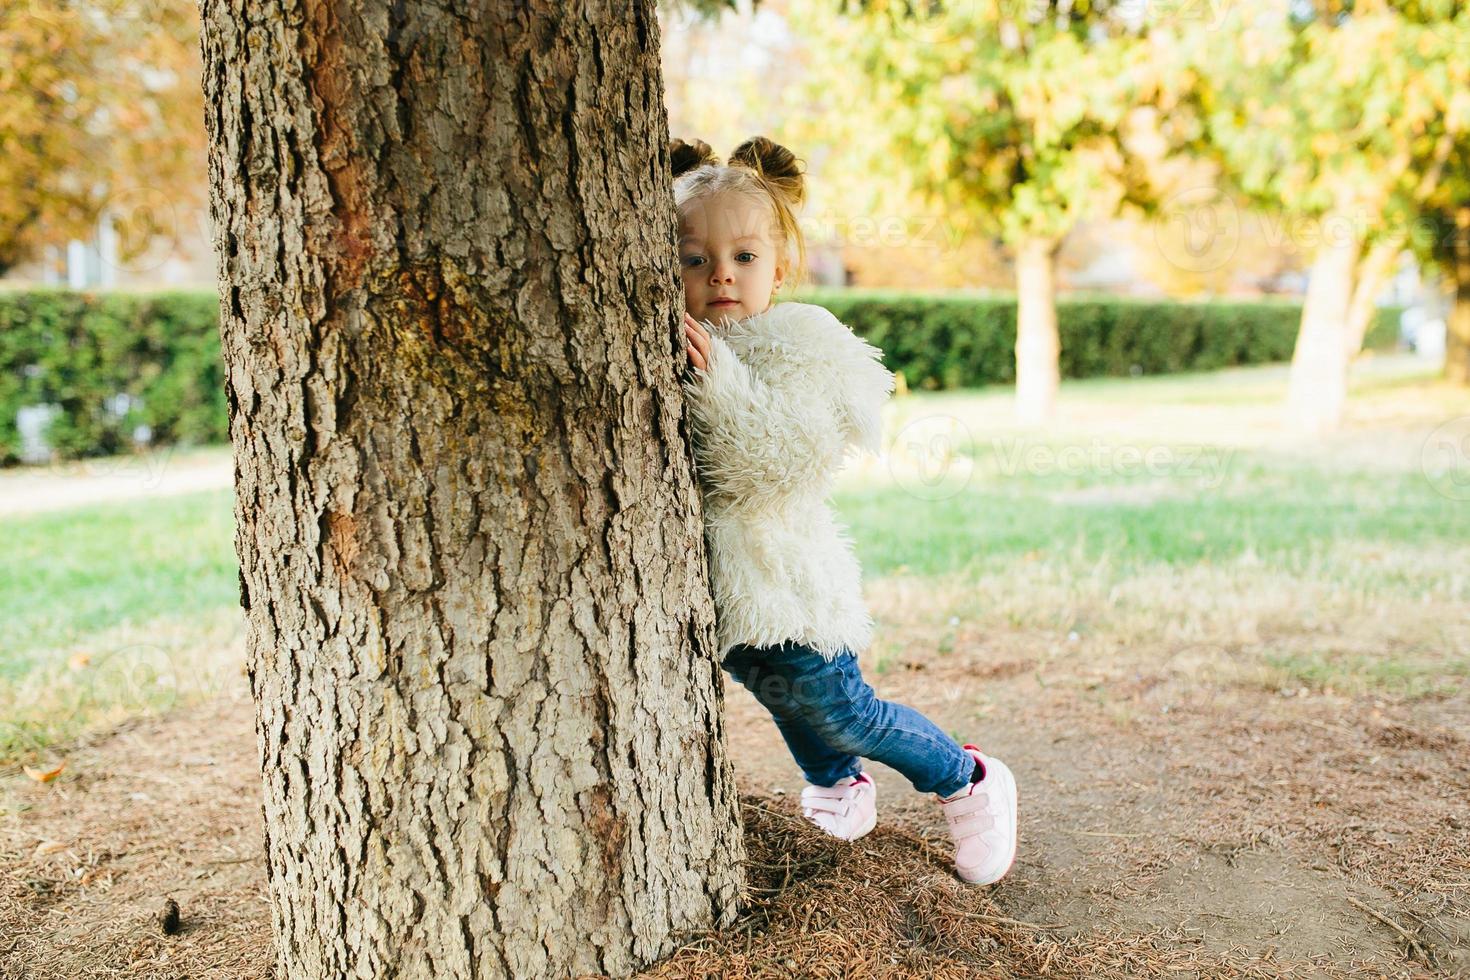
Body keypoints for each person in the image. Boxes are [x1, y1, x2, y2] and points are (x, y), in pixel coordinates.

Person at [673, 135, 1019, 886]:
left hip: (789, 584)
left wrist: (719, 379)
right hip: (730, 591)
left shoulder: (805, 342)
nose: (720, 276)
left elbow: (781, 457)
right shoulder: (678, 340)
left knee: (843, 710)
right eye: (694, 259)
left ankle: (967, 779)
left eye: (744, 257)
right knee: (783, 698)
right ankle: (837, 780)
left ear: (782, 264)